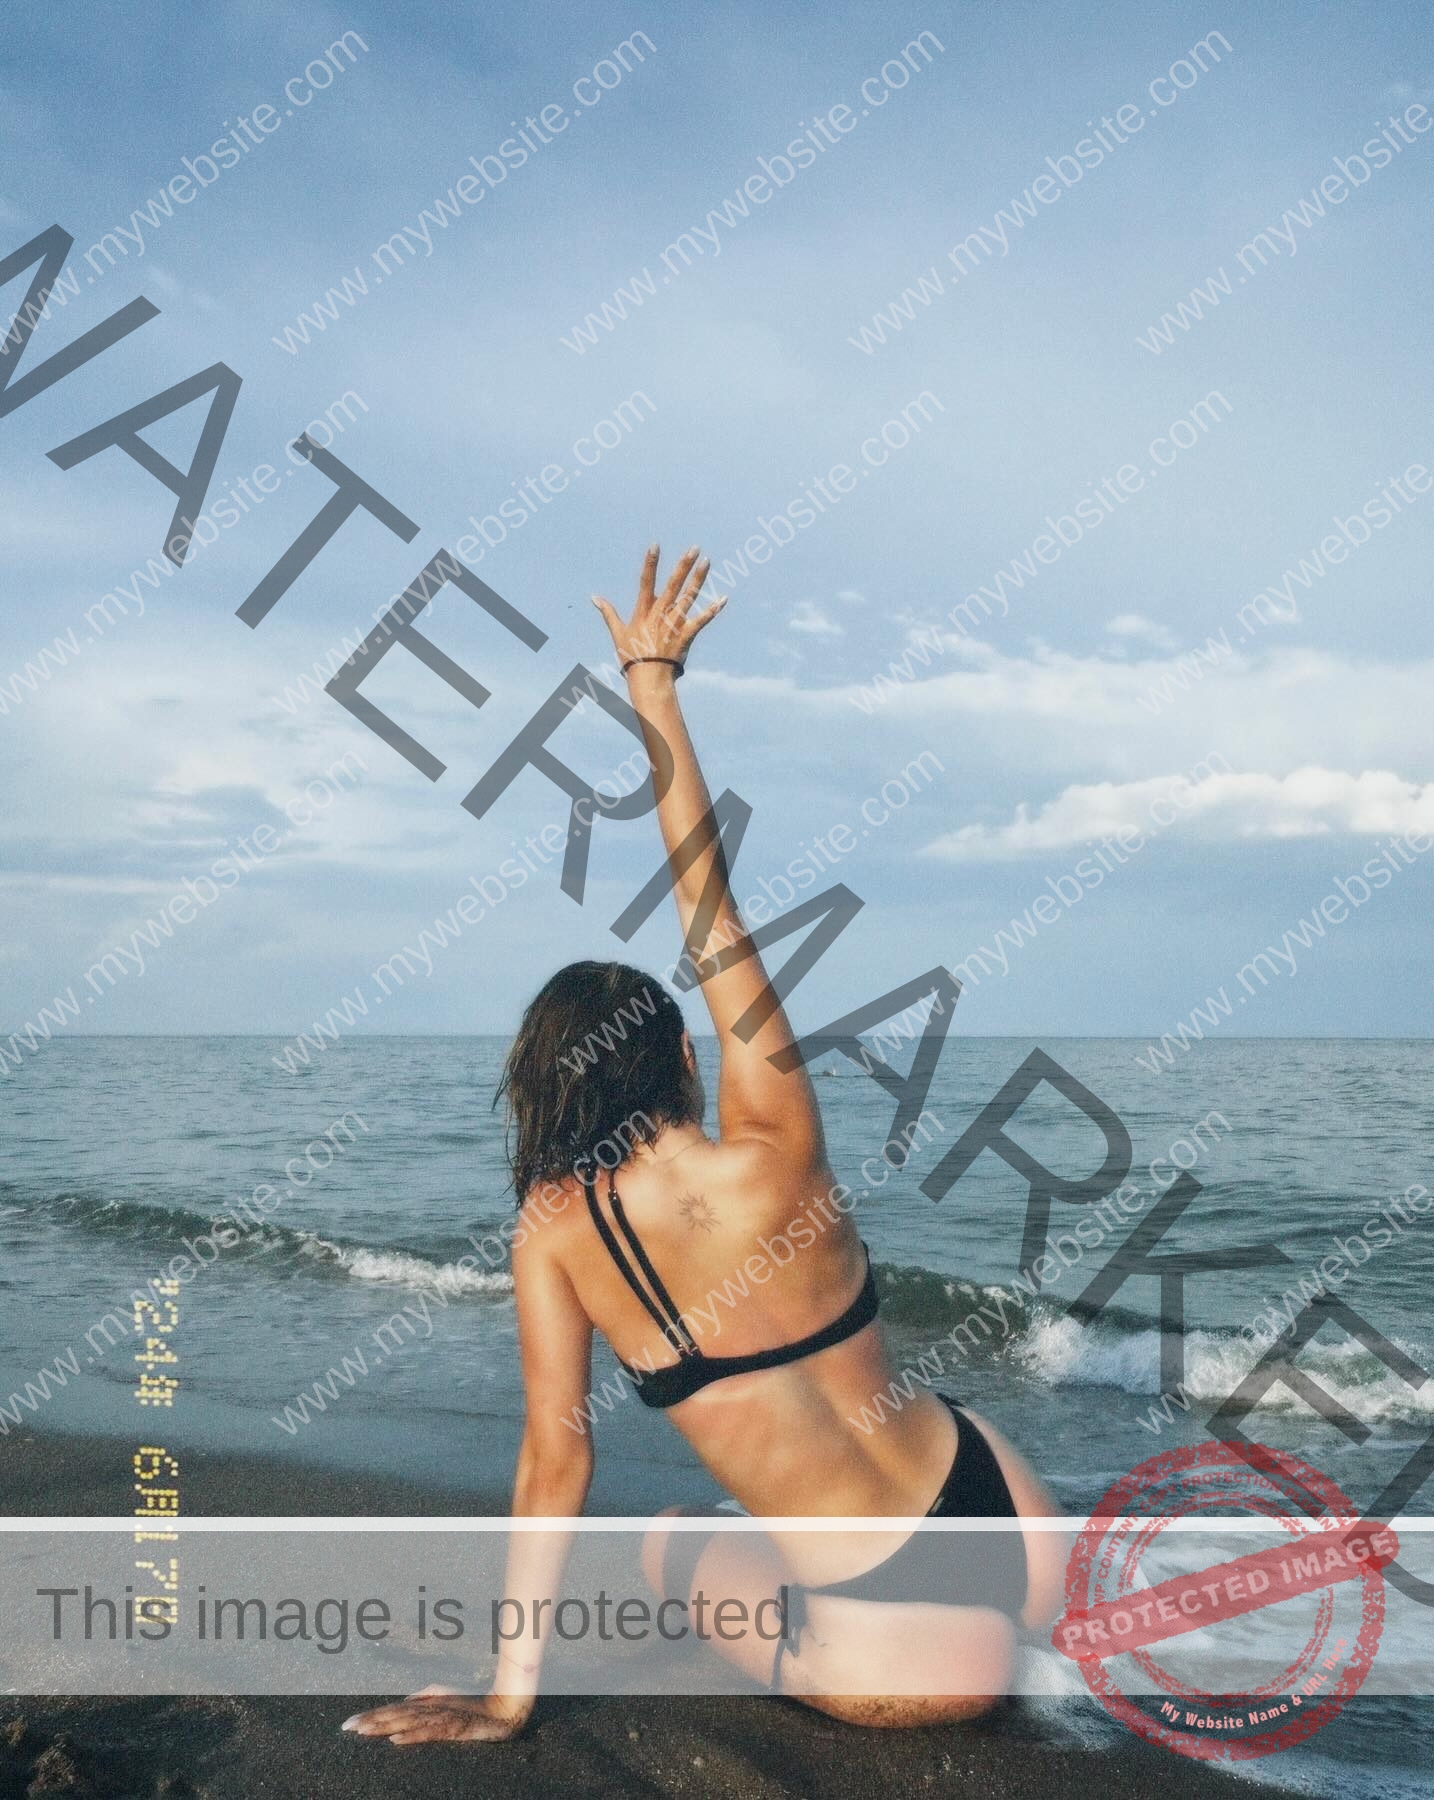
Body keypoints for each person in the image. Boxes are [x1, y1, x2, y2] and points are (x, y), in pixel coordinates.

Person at [346, 547, 1063, 1748]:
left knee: (671, 1538)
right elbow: (713, 914)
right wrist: (654, 689)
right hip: (1013, 1518)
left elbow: (552, 1466)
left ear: (543, 1094)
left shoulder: (555, 1240)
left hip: (917, 1654)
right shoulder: (778, 1143)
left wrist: (507, 1697)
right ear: (683, 1059)